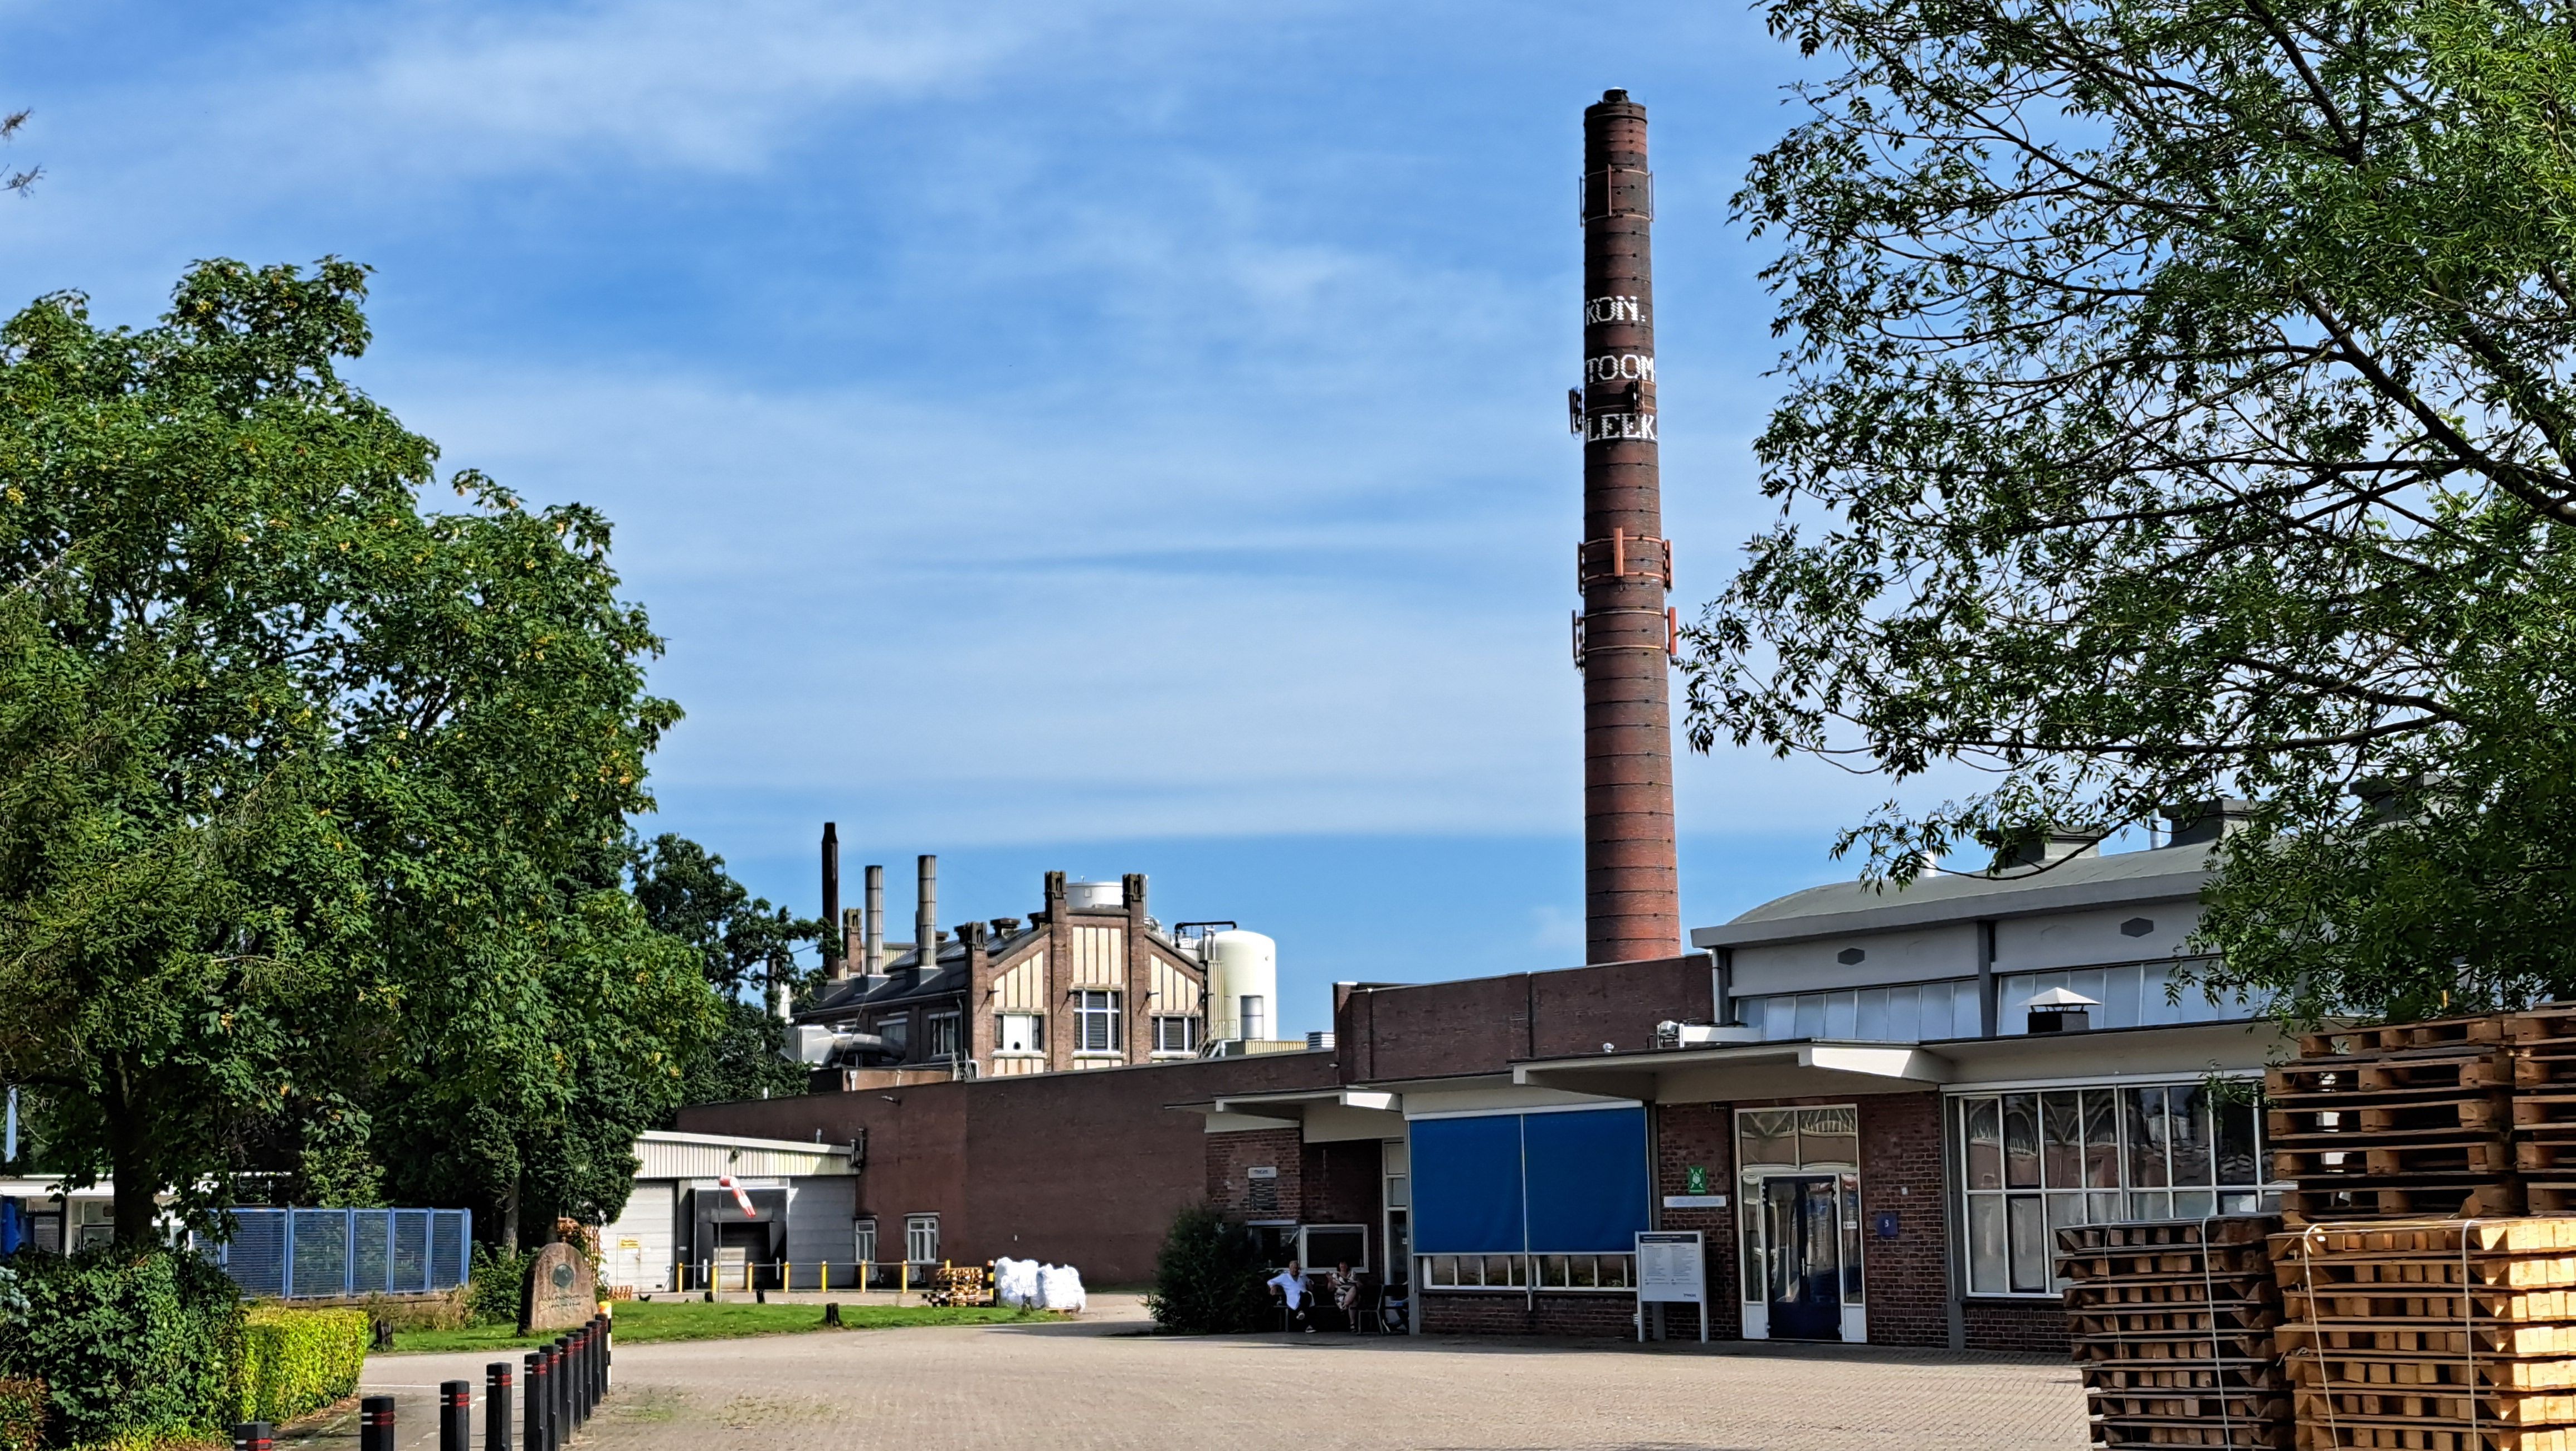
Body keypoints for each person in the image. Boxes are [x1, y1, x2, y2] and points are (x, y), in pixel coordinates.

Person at [1267, 1259, 1315, 1332]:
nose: (1295, 1270)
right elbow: (1270, 1282)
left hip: (1305, 1296)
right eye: (1293, 1268)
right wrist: (1273, 1287)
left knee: (1307, 1296)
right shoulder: (1284, 1277)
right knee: (1305, 1306)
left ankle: (1300, 1312)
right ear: (1290, 1269)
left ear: (1298, 1268)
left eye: (1296, 1268)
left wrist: (1310, 1284)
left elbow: (1310, 1284)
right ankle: (1308, 1326)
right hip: (1293, 1296)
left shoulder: (1303, 1276)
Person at [1327, 1260, 1365, 1330]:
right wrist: (1330, 1281)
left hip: (1353, 1295)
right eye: (1341, 1265)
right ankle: (1346, 1307)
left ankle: (1346, 1308)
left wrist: (1357, 1283)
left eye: (1344, 1265)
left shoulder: (1353, 1274)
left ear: (1347, 1266)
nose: (1343, 1267)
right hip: (1340, 1296)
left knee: (1353, 1295)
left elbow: (1361, 1286)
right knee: (1353, 1296)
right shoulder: (1335, 1275)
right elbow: (1330, 1289)